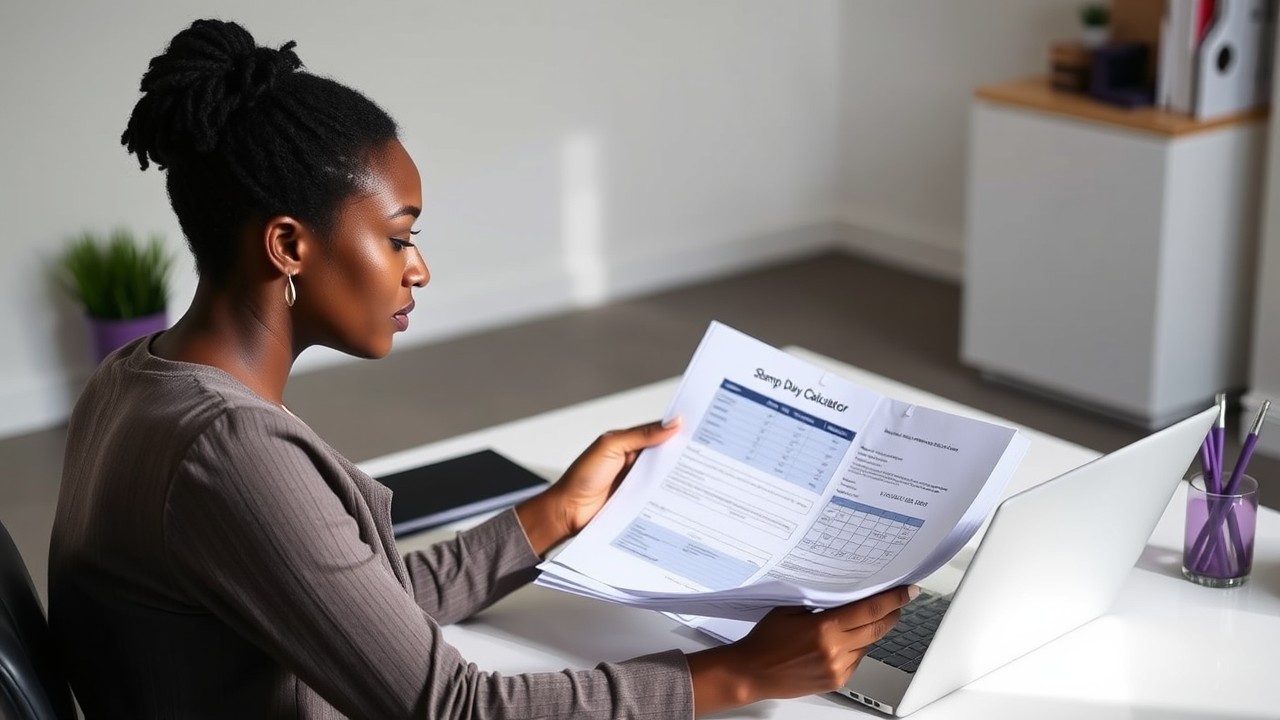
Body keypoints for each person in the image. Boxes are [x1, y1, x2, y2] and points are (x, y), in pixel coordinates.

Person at [48, 18, 915, 719]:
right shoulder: (233, 453)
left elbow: (351, 604)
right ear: (288, 245)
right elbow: (451, 707)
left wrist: (549, 516)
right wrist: (734, 677)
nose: (417, 267)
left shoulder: (131, 380)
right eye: (397, 236)